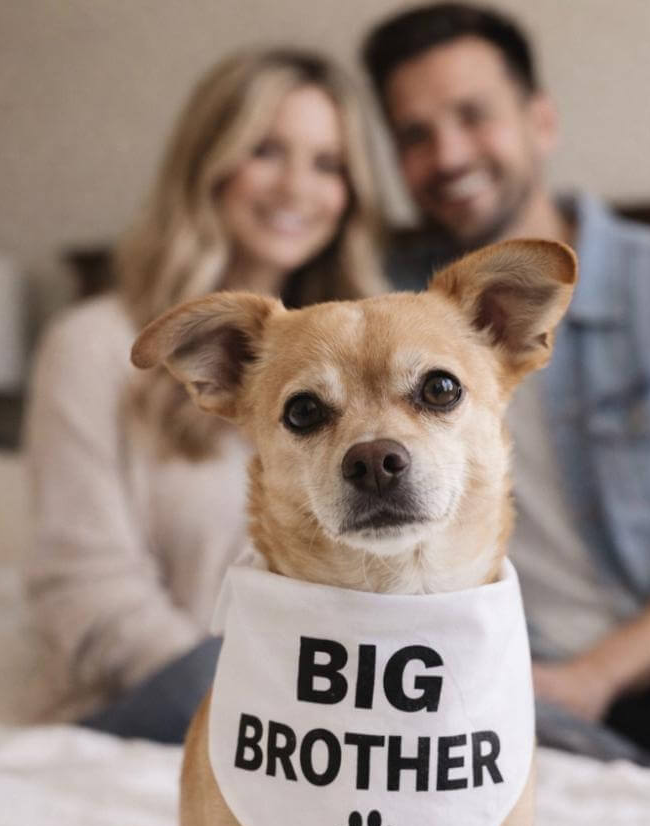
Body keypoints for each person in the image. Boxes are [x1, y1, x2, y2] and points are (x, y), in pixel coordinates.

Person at [362, 2, 650, 797]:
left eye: (474, 115)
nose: (449, 154)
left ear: (540, 120)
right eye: (415, 135)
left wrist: (594, 677)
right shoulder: (379, 314)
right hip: (518, 662)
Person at [25, 50, 384, 743]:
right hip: (155, 697)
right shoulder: (93, 345)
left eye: (328, 164)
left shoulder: (365, 355)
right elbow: (83, 588)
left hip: (320, 699)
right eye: (266, 150)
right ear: (207, 161)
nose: (297, 189)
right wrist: (263, 688)